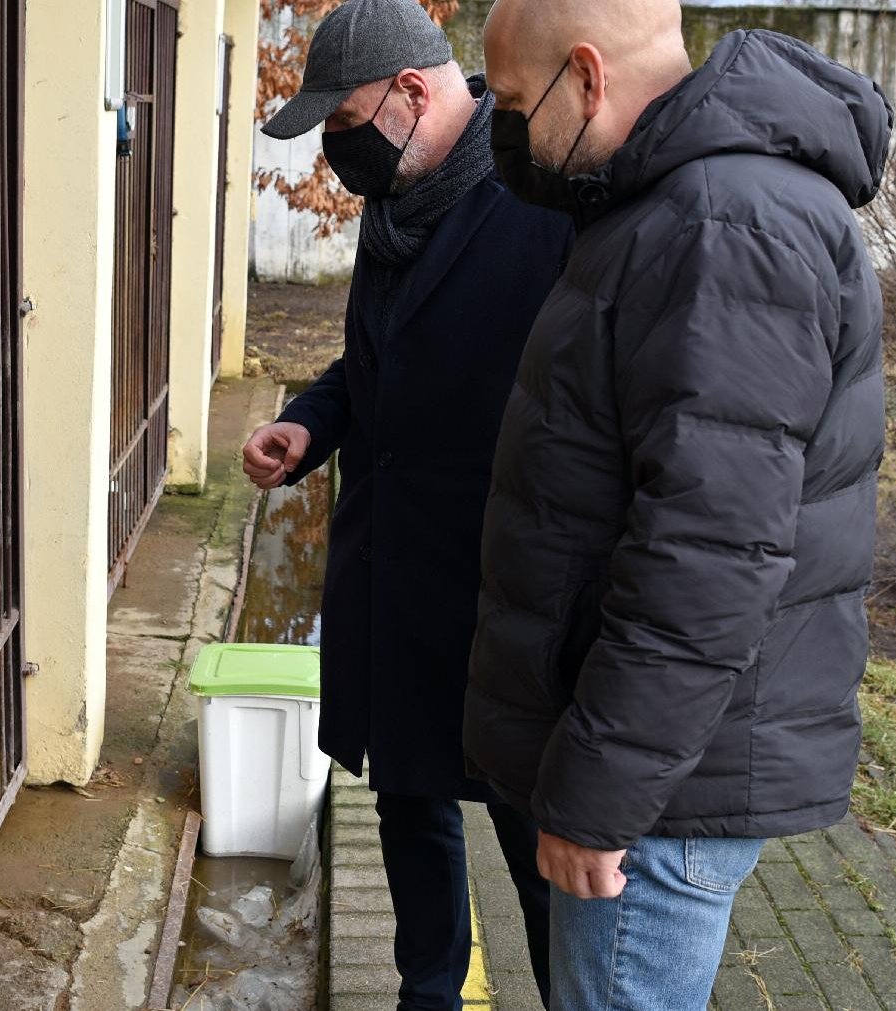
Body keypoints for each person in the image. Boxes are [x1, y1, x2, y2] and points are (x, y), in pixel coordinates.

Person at [463, 0, 892, 1007]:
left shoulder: (719, 224)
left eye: (518, 105)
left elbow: (707, 550)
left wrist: (601, 800)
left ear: (586, 77)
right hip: (660, 773)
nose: (509, 134)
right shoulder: (670, 205)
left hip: (660, 798)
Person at [245, 0, 572, 1006]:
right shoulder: (399, 207)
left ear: (414, 92)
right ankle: (426, 989)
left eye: (343, 125)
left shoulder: (542, 198)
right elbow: (378, 362)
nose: (336, 155)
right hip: (394, 574)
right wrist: (309, 421)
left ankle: (574, 989)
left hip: (499, 587)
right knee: (409, 801)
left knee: (535, 832)